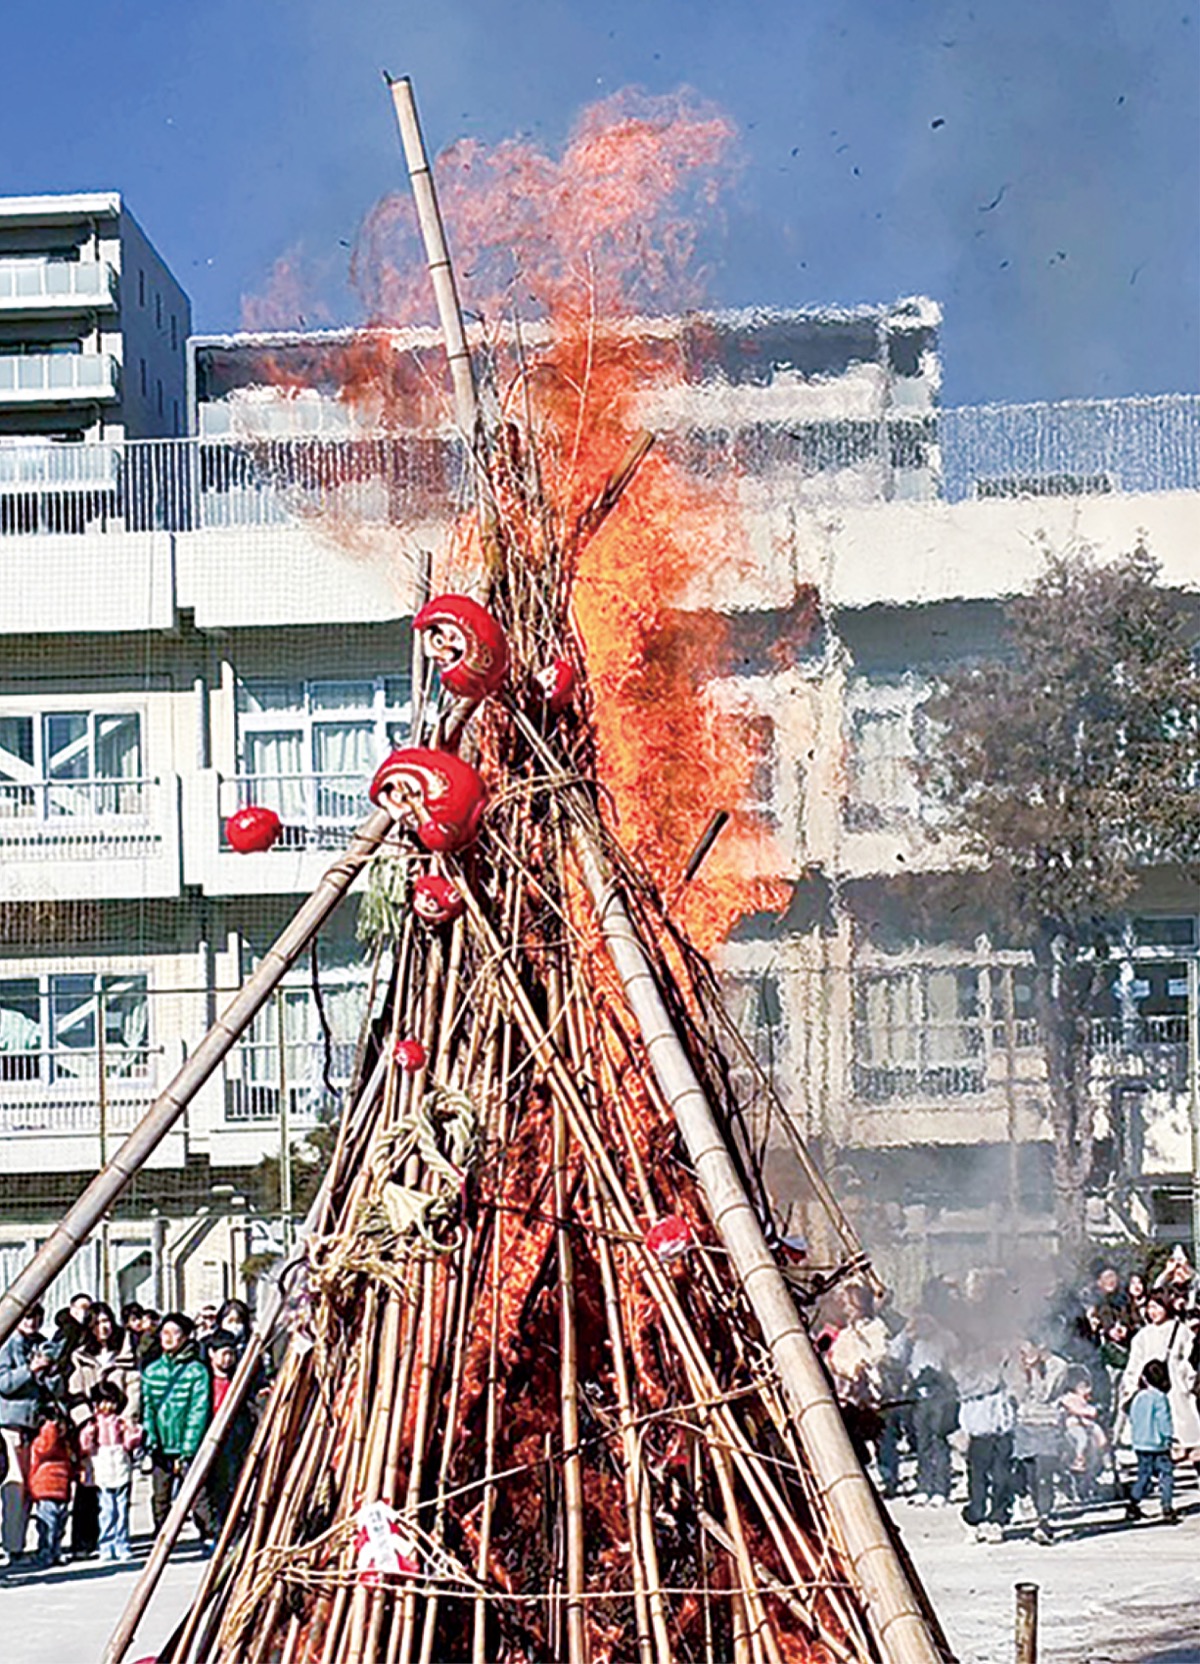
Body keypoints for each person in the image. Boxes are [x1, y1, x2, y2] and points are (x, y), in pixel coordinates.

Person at [67, 1300, 141, 1560]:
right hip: (92, 1429)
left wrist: (127, 1418)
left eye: (107, 1321)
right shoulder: (80, 1357)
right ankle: (86, 1541)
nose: (103, 1327)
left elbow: (134, 1388)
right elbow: (74, 1391)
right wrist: (86, 1421)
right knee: (89, 1486)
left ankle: (119, 1539)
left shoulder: (126, 1354)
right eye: (97, 1323)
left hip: (118, 1429)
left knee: (119, 1489)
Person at [140, 1313, 212, 1536]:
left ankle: (209, 1536)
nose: (169, 1338)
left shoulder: (197, 1371)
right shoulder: (152, 1371)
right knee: (160, 1497)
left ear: (186, 1337)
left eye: (175, 1333)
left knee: (197, 1495)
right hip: (161, 1445)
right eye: (165, 1333)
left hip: (188, 1445)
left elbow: (198, 1410)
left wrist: (188, 1447)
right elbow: (148, 1408)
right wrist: (151, 1437)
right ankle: (162, 1535)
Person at [1118, 1293, 1200, 1476]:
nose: (1153, 1312)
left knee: (1186, 1429)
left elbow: (1190, 1358)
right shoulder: (1142, 1335)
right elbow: (1134, 1364)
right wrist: (1132, 1387)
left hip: (1177, 1386)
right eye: (1150, 1308)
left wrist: (1187, 1381)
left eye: (1157, 1307)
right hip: (1151, 1387)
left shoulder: (1181, 1330)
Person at [0, 1303, 56, 1563]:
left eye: (36, 1317)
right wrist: (30, 1370)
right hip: (11, 1425)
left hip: (36, 1425)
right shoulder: (6, 1344)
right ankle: (12, 1546)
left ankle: (19, 1543)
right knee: (15, 1487)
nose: (31, 1322)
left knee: (32, 1488)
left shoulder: (41, 1344)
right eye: (27, 1317)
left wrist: (49, 1371)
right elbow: (4, 1383)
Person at [1012, 1340, 1069, 1545]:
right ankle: (1038, 1514)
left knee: (1044, 1475)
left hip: (1048, 1424)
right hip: (1025, 1425)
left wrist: (1035, 1370)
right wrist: (1021, 1373)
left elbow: (1044, 1394)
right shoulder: (1017, 1363)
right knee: (1031, 1477)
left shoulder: (1058, 1366)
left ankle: (1044, 1520)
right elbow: (1016, 1394)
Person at [79, 1381, 142, 1562]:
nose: (108, 1406)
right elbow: (86, 1447)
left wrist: (133, 1432)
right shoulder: (94, 1423)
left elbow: (129, 1444)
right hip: (103, 1465)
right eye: (104, 1402)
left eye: (112, 1402)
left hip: (120, 1465)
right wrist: (88, 1433)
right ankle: (106, 1544)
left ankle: (122, 1543)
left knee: (122, 1510)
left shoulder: (120, 1422)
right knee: (107, 1510)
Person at [204, 1331, 256, 1531]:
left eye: (231, 1354)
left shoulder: (240, 1379)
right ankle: (212, 1526)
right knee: (213, 1486)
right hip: (210, 1436)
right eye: (223, 1353)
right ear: (212, 1353)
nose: (227, 1359)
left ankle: (230, 1525)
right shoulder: (204, 1379)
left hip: (234, 1437)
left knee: (232, 1484)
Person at [1125, 1359, 1178, 1523]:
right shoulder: (1160, 1398)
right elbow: (1164, 1421)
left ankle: (1133, 1503)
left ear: (1144, 1378)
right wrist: (1169, 1438)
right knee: (1166, 1475)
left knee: (1143, 1475)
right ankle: (1167, 1506)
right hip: (1158, 1445)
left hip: (1141, 1443)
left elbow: (1133, 1418)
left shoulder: (1137, 1397)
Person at [28, 1410, 74, 1569]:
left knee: (60, 1525)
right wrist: (50, 1428)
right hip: (46, 1489)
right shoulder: (42, 1443)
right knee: (48, 1524)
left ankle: (55, 1550)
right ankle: (45, 1552)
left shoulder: (63, 1444)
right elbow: (46, 1447)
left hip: (62, 1489)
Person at [1058, 1365, 1107, 1500]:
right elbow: (1076, 1410)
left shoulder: (1082, 1398)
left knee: (1099, 1434)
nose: (1087, 1390)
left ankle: (1103, 1458)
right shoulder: (1068, 1398)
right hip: (1073, 1424)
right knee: (1082, 1438)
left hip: (1085, 1423)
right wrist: (1090, 1412)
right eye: (1083, 1387)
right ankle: (1079, 1458)